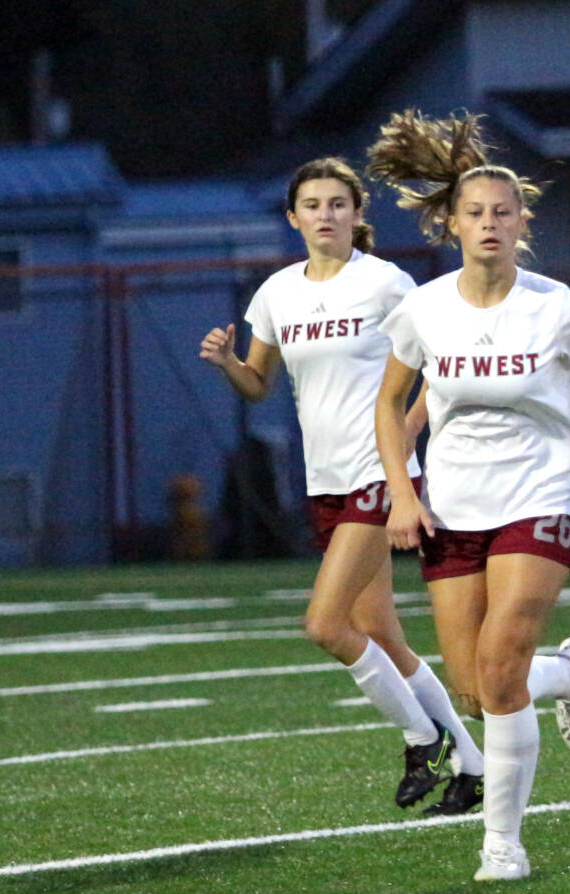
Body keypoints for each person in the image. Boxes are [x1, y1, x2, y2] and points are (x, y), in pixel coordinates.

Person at [366, 109, 570, 882]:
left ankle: (502, 843)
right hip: (451, 507)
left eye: (503, 212)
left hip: (538, 498)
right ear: (453, 225)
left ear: (522, 221)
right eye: (475, 214)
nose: (490, 224)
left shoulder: (557, 306)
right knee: (476, 691)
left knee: (501, 664)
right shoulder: (424, 311)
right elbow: (389, 409)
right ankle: (566, 674)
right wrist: (402, 494)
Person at [198, 156, 486, 814]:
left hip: (376, 474)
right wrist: (226, 364)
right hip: (325, 479)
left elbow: (440, 366)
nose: (325, 215)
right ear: (292, 217)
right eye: (313, 204)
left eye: (338, 203)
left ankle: (423, 738)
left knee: (325, 624)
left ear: (359, 215)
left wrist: (408, 438)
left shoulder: (386, 284)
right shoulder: (276, 294)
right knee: (381, 635)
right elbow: (259, 383)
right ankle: (471, 767)